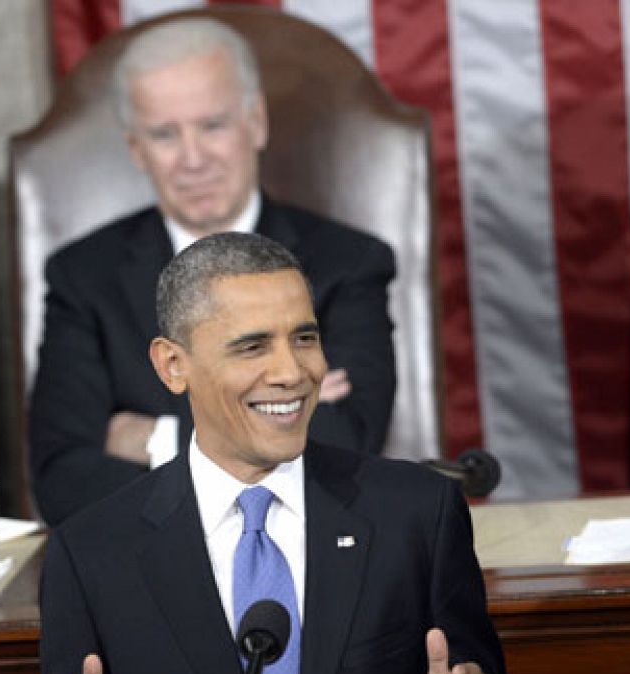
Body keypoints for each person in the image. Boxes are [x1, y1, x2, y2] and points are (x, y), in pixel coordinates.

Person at [22, 232, 539, 674]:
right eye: (252, 346)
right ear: (173, 365)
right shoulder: (95, 553)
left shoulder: (412, 514)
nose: (293, 372)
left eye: (305, 337)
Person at [28, 18, 397, 525]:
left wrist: (156, 438)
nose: (193, 159)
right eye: (164, 135)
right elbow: (64, 482)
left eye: (213, 126)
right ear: (136, 149)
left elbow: (344, 446)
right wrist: (269, 425)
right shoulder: (83, 276)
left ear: (257, 123)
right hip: (149, 570)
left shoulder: (347, 264)